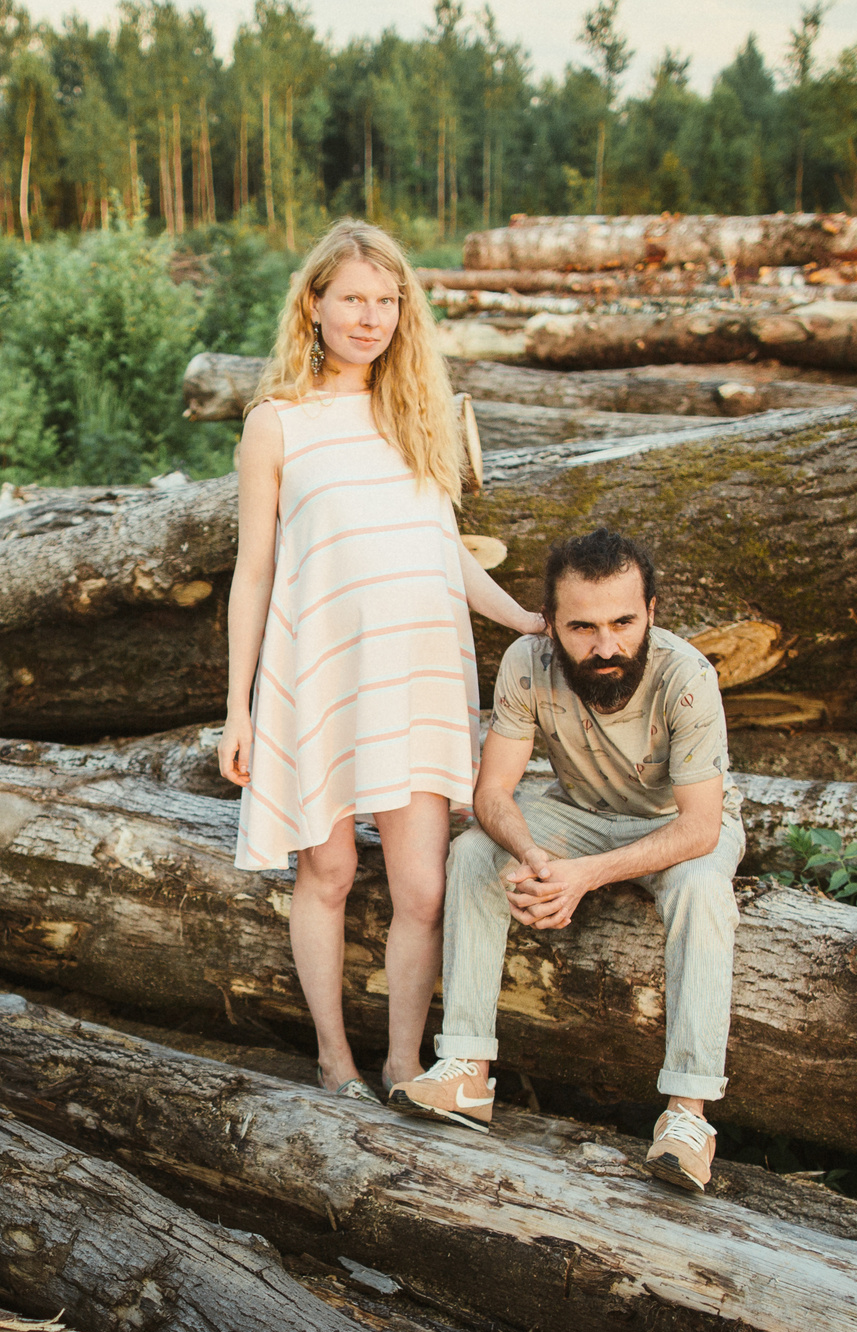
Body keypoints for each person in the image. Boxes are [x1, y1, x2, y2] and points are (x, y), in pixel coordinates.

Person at [215, 219, 543, 1105]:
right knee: (327, 871)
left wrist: (521, 616)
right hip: (318, 674)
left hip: (417, 675)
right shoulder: (275, 424)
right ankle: (335, 1061)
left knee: (424, 889)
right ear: (313, 305)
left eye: (387, 300)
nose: (371, 317)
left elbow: (444, 549)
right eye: (352, 299)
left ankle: (405, 1064)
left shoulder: (418, 415)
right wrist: (239, 707)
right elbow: (253, 573)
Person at [389, 530, 745, 1192]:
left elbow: (701, 827)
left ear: (652, 612)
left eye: (623, 623)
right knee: (473, 851)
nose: (605, 646)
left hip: (674, 825)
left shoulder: (687, 677)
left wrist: (582, 876)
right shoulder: (526, 662)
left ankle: (688, 1117)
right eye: (582, 627)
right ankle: (465, 1069)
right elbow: (492, 793)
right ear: (550, 623)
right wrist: (531, 853)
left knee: (701, 887)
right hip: (577, 816)